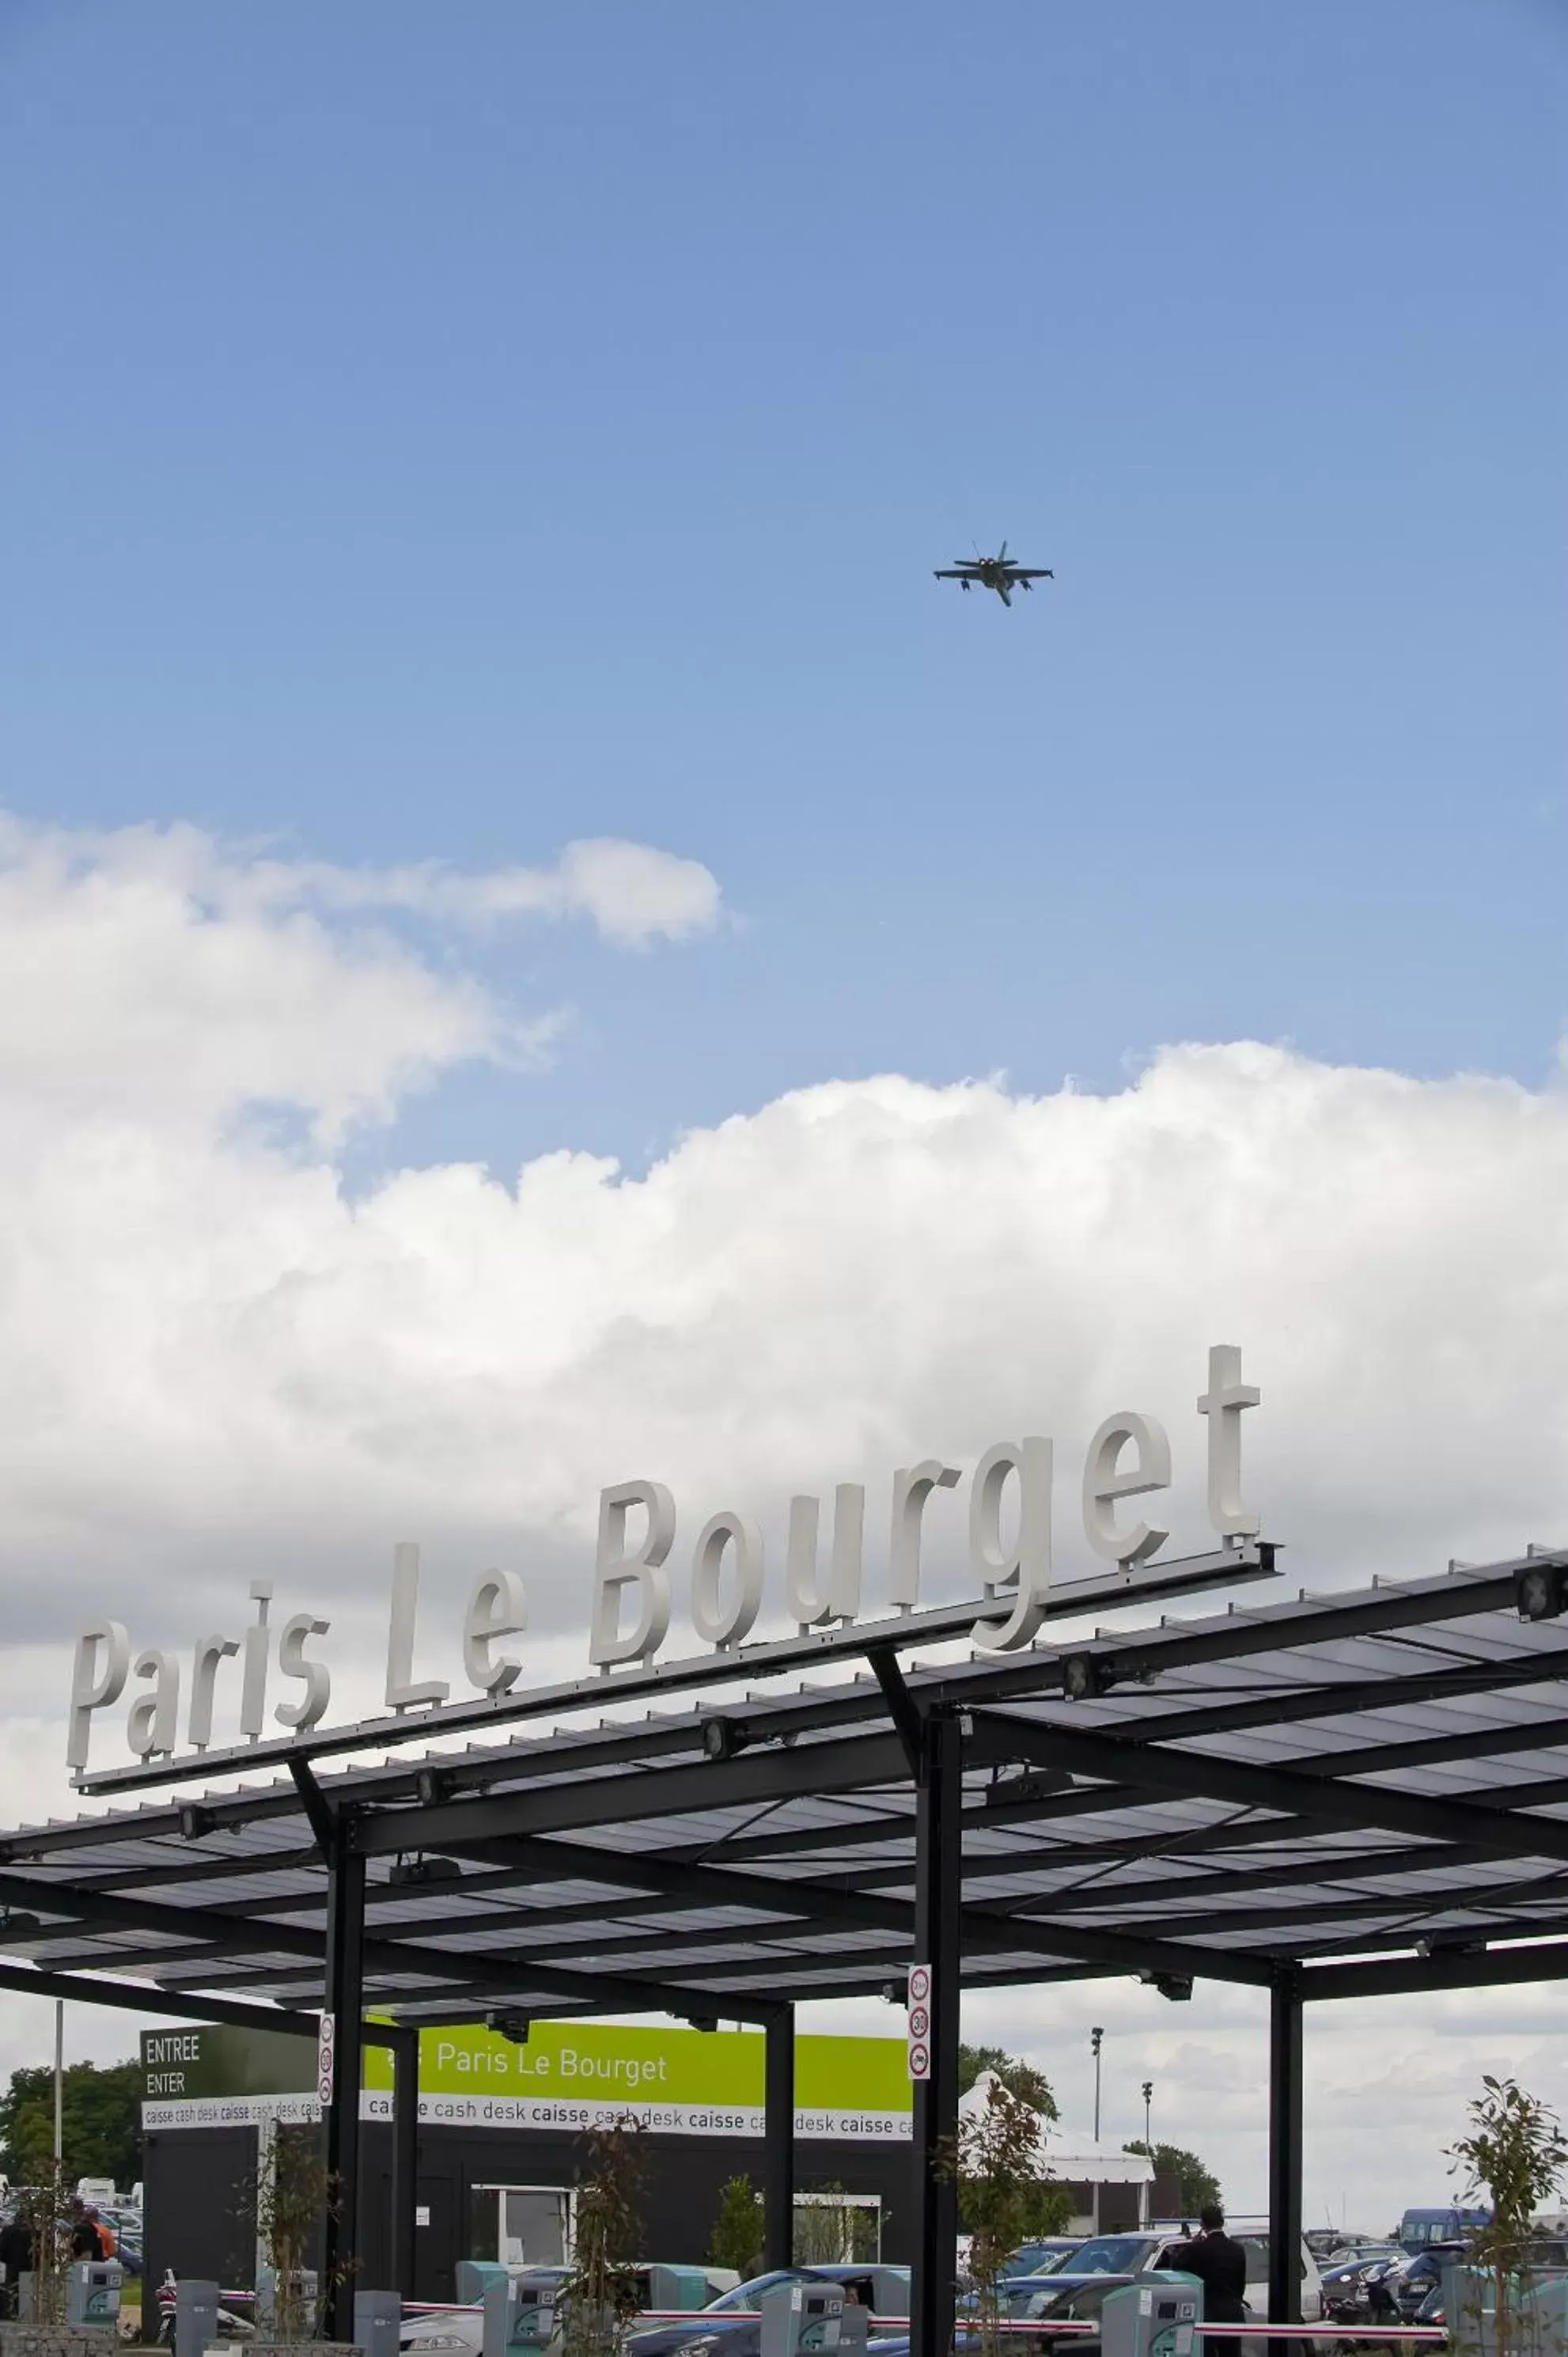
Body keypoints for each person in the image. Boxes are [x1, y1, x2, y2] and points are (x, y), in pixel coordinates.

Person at [1180, 2206, 1249, 2339]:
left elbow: (1177, 2266)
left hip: (1208, 2314)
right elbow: (1241, 2284)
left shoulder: (1198, 2249)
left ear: (1202, 2224)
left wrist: (1191, 2245)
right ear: (1222, 2223)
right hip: (1233, 2313)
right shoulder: (1237, 2249)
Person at [0, 2211, 36, 2320]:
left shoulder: (8, 2230)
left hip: (11, 2267)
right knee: (26, 2295)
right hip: (29, 2268)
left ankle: (10, 2314)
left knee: (11, 2291)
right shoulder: (34, 2232)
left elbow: (1, 2250)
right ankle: (26, 2317)